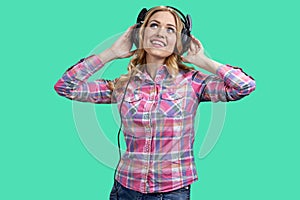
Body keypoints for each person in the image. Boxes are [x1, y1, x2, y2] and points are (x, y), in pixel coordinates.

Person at [54, 5, 256, 200]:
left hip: (171, 192)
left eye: (170, 29)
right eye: (154, 25)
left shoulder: (194, 82)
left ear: (180, 42)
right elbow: (66, 87)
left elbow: (244, 86)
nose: (160, 33)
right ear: (140, 34)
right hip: (124, 188)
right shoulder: (123, 86)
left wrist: (202, 60)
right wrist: (111, 53)